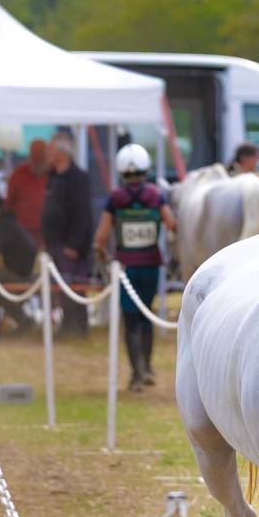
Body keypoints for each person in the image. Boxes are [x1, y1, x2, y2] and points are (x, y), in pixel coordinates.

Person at [93, 144, 175, 390]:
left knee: (129, 320)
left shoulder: (116, 199)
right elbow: (171, 224)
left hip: (126, 267)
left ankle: (136, 374)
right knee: (146, 314)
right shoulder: (155, 195)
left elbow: (101, 235)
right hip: (151, 264)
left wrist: (102, 254)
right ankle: (147, 368)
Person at [40, 134, 92, 335]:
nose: (48, 154)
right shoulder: (53, 176)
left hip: (71, 246)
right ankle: (67, 323)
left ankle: (78, 325)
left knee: (75, 286)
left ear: (62, 153)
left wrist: (73, 244)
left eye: (51, 150)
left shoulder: (78, 178)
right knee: (61, 288)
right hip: (55, 241)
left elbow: (81, 214)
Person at [0, 194, 38, 332]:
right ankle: (21, 319)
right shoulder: (3, 223)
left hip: (22, 275)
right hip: (19, 273)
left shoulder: (5, 225)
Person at [5, 138, 50, 246]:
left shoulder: (53, 175)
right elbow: (8, 205)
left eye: (41, 159)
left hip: (48, 235)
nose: (38, 163)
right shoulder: (19, 175)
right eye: (36, 158)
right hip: (23, 233)